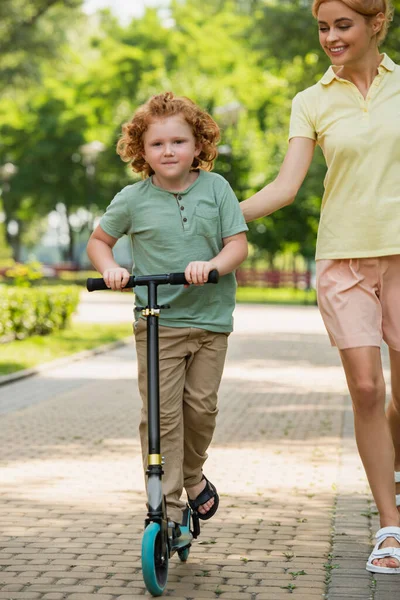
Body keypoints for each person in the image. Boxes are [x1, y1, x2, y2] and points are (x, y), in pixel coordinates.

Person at [240, 0, 400, 574]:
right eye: (323, 27)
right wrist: (214, 217)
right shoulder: (310, 101)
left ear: (376, 23)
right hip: (344, 261)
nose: (330, 37)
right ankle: (390, 527)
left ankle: (396, 469)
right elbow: (285, 186)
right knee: (365, 388)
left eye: (342, 25)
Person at [87, 92, 248, 530]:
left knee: (201, 410)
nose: (169, 151)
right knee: (160, 417)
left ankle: (193, 477)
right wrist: (113, 269)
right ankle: (167, 510)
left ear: (198, 145)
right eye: (157, 144)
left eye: (179, 141)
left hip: (210, 322)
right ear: (142, 151)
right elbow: (99, 241)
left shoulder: (217, 189)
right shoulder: (132, 198)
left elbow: (237, 244)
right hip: (158, 323)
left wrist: (212, 266)